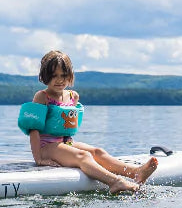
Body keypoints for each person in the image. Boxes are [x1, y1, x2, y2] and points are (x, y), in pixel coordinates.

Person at [21, 50, 158, 194]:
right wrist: (39, 159)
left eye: (63, 75)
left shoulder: (73, 96)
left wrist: (69, 148)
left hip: (65, 143)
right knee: (84, 156)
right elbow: (33, 129)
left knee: (97, 152)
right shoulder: (42, 97)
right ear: (45, 76)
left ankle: (135, 172)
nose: (59, 80)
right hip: (46, 146)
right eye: (54, 75)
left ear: (70, 76)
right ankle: (115, 182)